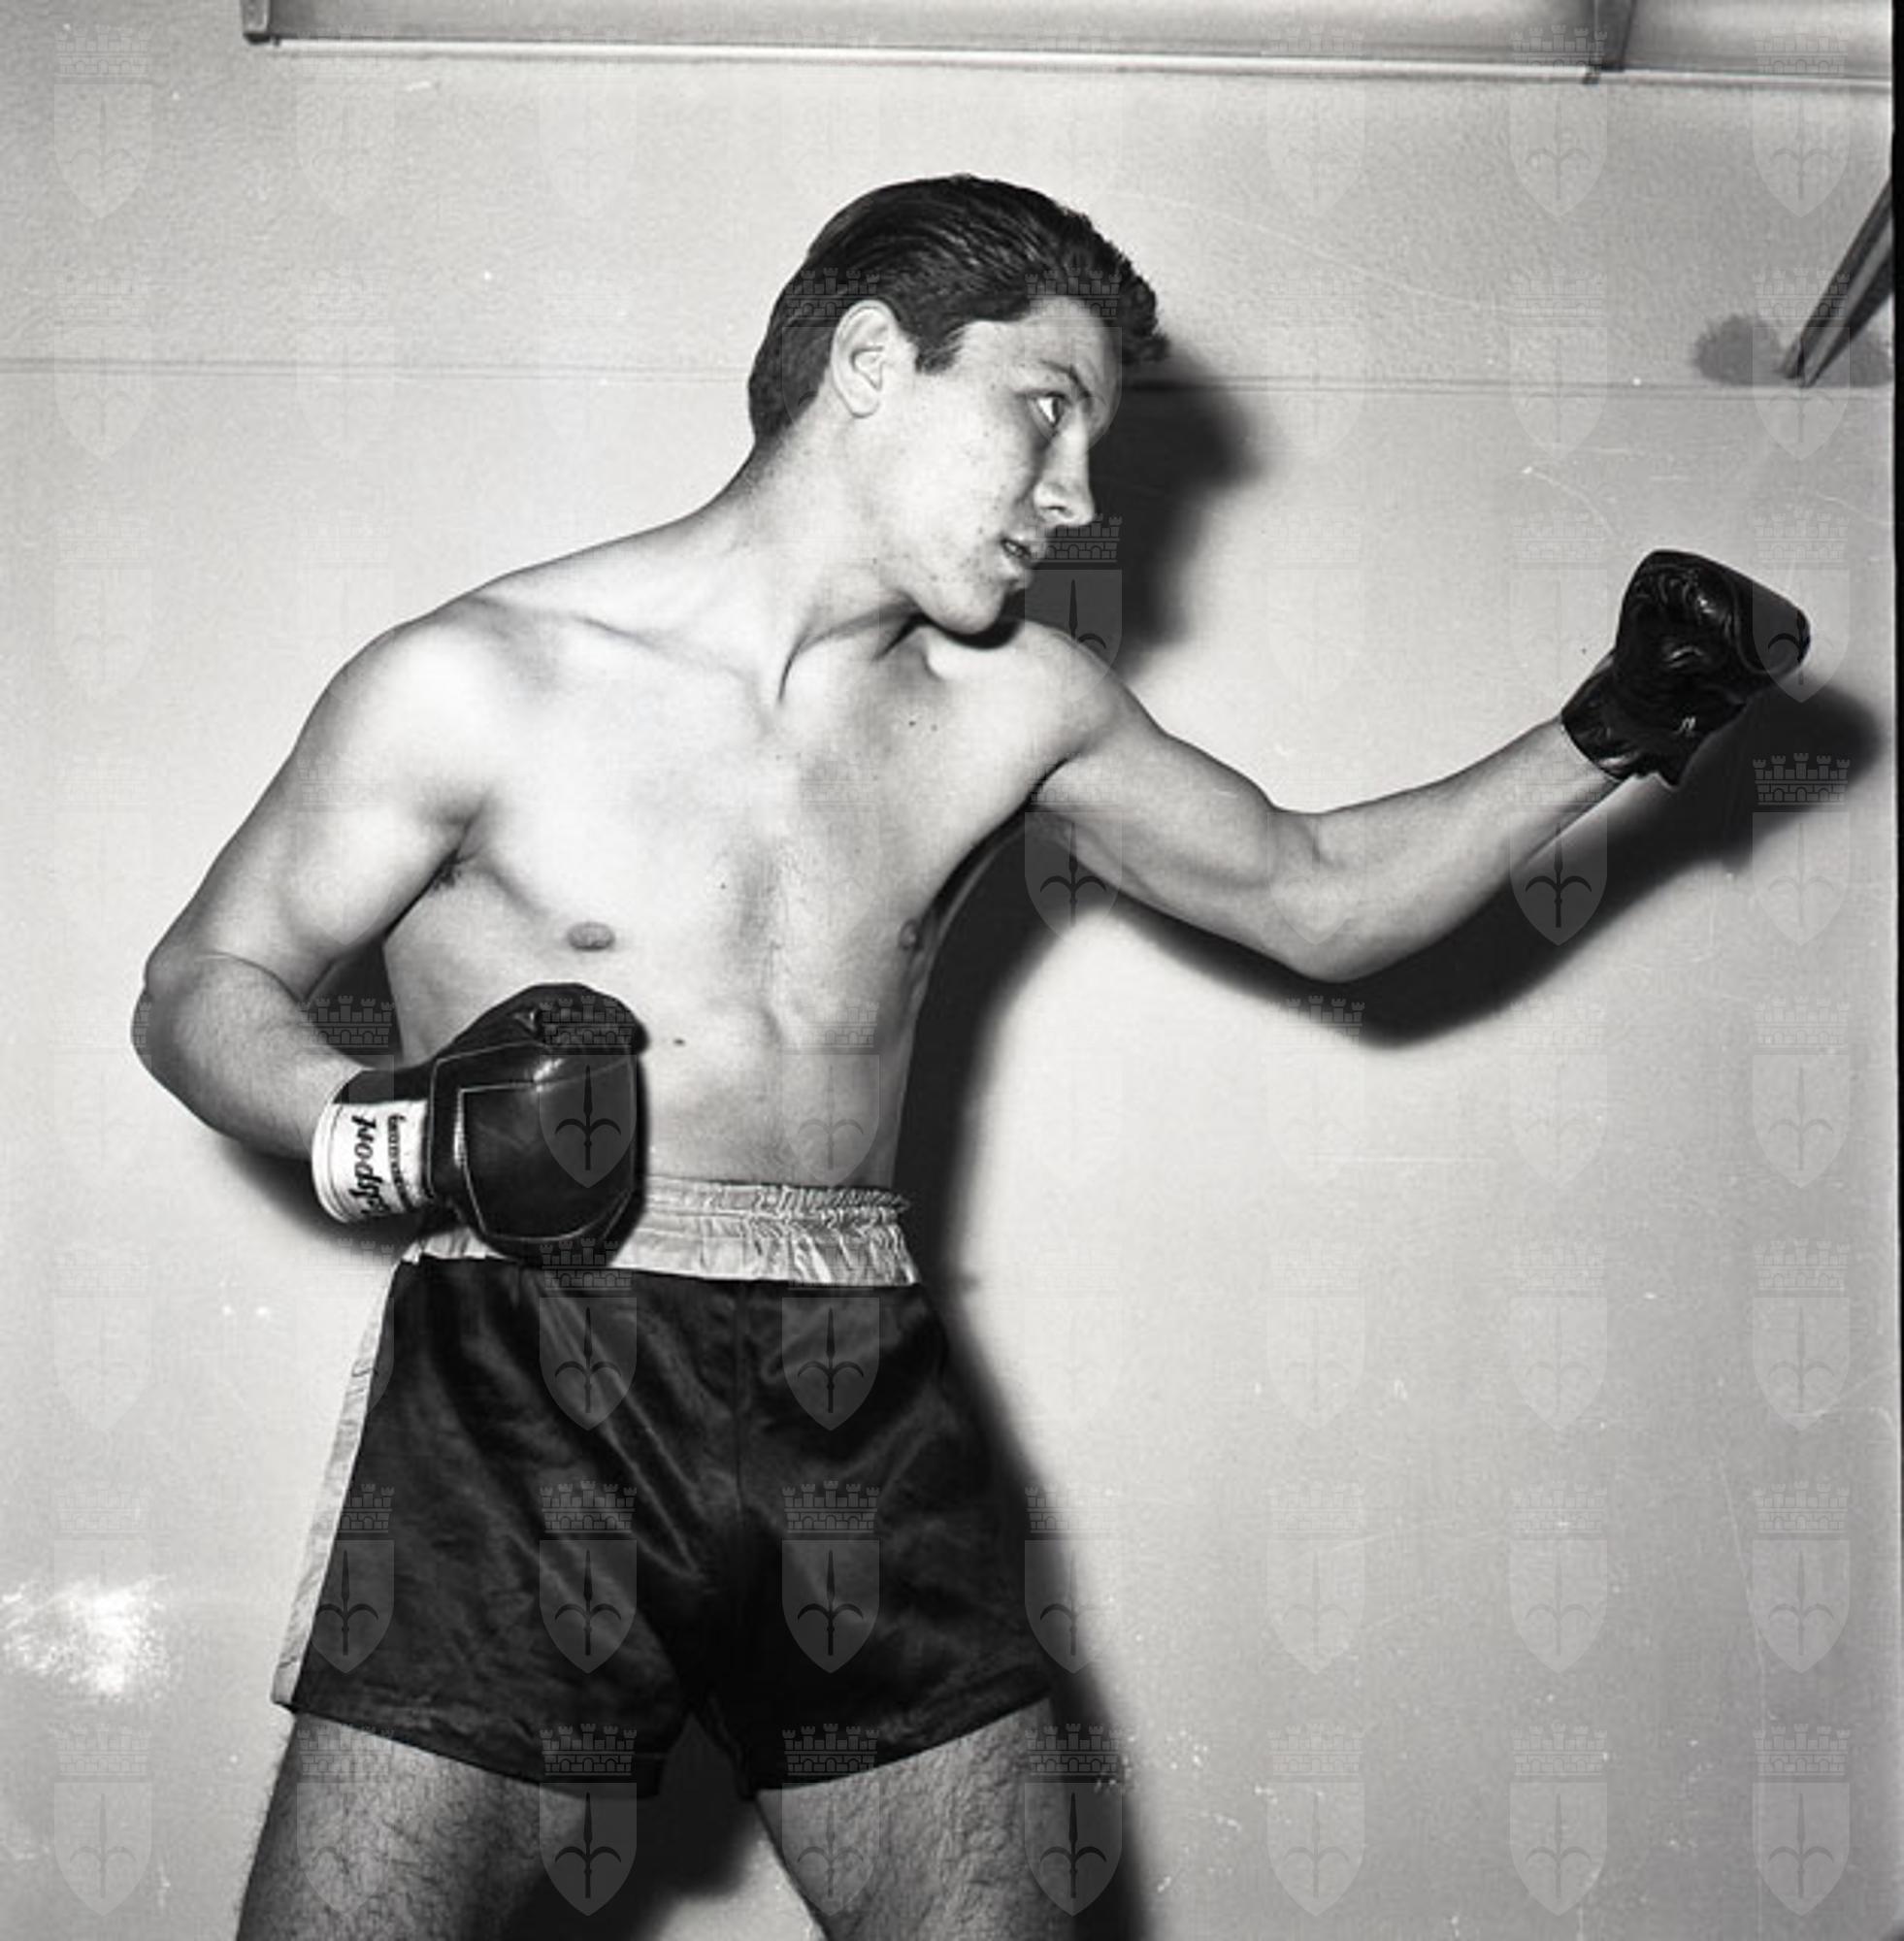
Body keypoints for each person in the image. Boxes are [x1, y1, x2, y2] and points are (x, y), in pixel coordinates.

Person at [137, 175, 1806, 1940]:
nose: (1076, 495)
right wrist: (393, 1133)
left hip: (854, 1379)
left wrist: (1618, 721)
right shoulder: (476, 681)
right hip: (534, 1375)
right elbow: (202, 984)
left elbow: (1319, 899)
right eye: (1043, 410)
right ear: (871, 361)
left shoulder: (1015, 705)